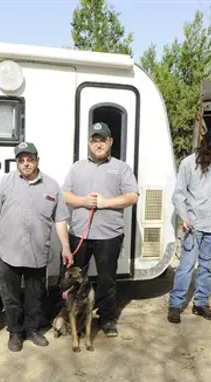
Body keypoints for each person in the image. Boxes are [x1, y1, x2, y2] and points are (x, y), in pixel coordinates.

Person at [0, 142, 73, 352]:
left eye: (30, 159)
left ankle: (33, 330)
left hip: (38, 253)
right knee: (12, 298)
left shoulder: (52, 186)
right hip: (10, 253)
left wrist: (66, 248)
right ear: (17, 162)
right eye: (21, 160)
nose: (26, 163)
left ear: (37, 160)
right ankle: (15, 333)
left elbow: (60, 220)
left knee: (35, 297)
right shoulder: (4, 184)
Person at [61, 122, 139, 337]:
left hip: (109, 235)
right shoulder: (78, 167)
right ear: (89, 143)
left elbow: (132, 196)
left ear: (110, 142)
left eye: (102, 140)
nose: (98, 144)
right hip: (79, 234)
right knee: (72, 278)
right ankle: (70, 317)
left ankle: (106, 318)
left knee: (107, 279)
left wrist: (105, 203)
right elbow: (64, 195)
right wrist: (83, 200)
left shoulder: (121, 167)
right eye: (94, 140)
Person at [167, 127, 211, 324]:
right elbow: (179, 194)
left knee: (206, 267)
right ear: (206, 146)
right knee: (186, 266)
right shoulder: (189, 163)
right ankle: (175, 304)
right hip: (194, 226)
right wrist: (184, 216)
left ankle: (201, 304)